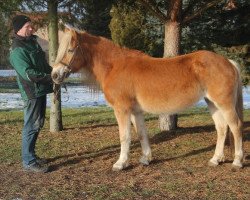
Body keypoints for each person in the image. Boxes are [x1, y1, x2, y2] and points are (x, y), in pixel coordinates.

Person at [9, 15, 53, 173]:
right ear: (19, 29)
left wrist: (54, 72)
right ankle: (28, 161)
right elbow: (29, 73)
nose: (31, 29)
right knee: (31, 125)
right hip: (31, 92)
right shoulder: (17, 50)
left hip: (40, 90)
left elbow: (42, 64)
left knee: (38, 123)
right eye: (28, 26)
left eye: (31, 26)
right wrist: (50, 78)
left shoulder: (32, 43)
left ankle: (31, 155)